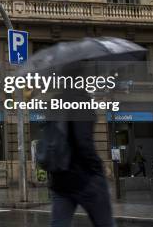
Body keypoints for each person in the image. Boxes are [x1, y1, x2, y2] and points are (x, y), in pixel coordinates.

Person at [47, 87, 116, 227]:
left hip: (60, 179)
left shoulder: (54, 101)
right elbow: (84, 143)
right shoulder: (82, 101)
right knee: (105, 223)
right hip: (85, 179)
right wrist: (98, 169)